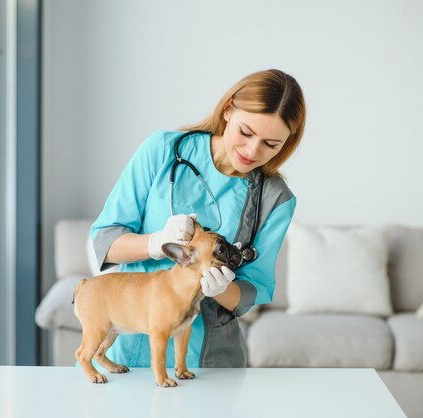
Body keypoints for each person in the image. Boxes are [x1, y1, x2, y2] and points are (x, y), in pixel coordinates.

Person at [90, 68, 306, 369]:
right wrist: (156, 243)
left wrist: (220, 289)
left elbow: (251, 292)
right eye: (246, 132)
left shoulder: (275, 199)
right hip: (123, 344)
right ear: (228, 109)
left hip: (204, 358)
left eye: (271, 144)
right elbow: (105, 242)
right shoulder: (163, 150)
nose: (252, 151)